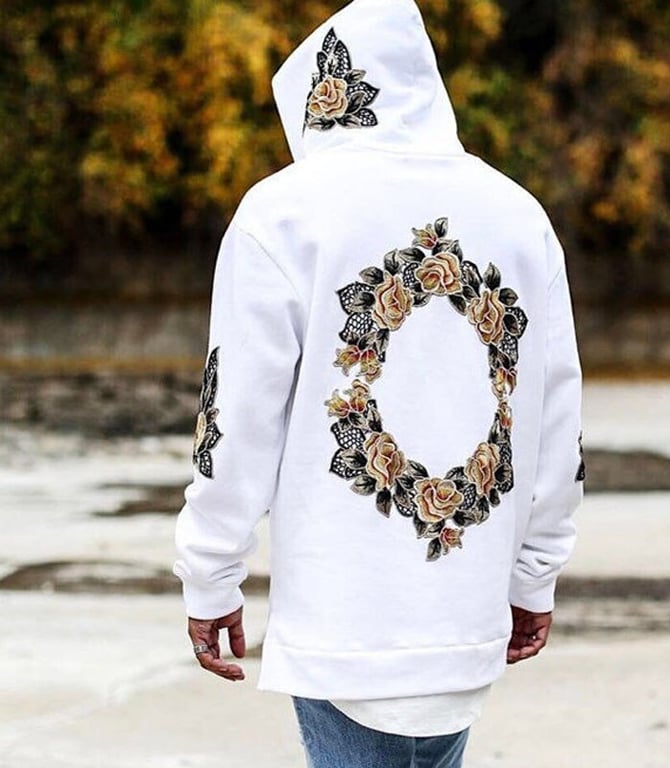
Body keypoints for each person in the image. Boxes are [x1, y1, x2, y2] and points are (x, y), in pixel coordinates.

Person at [174, 0, 584, 765]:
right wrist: (536, 574)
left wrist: (210, 574)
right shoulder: (519, 215)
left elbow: (237, 417)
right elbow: (556, 415)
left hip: (342, 626)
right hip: (465, 617)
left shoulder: (282, 213)